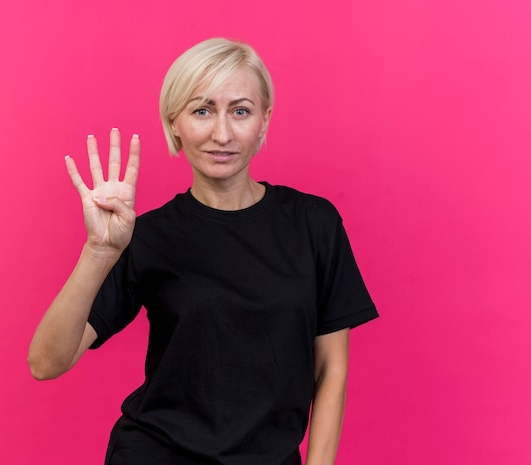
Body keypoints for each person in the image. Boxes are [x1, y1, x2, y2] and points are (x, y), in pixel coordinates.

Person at [28, 38, 378, 465]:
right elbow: (46, 362)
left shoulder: (313, 224)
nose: (222, 133)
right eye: (202, 110)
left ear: (264, 120)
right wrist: (98, 251)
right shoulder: (147, 236)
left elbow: (330, 371)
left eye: (241, 110)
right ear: (174, 122)